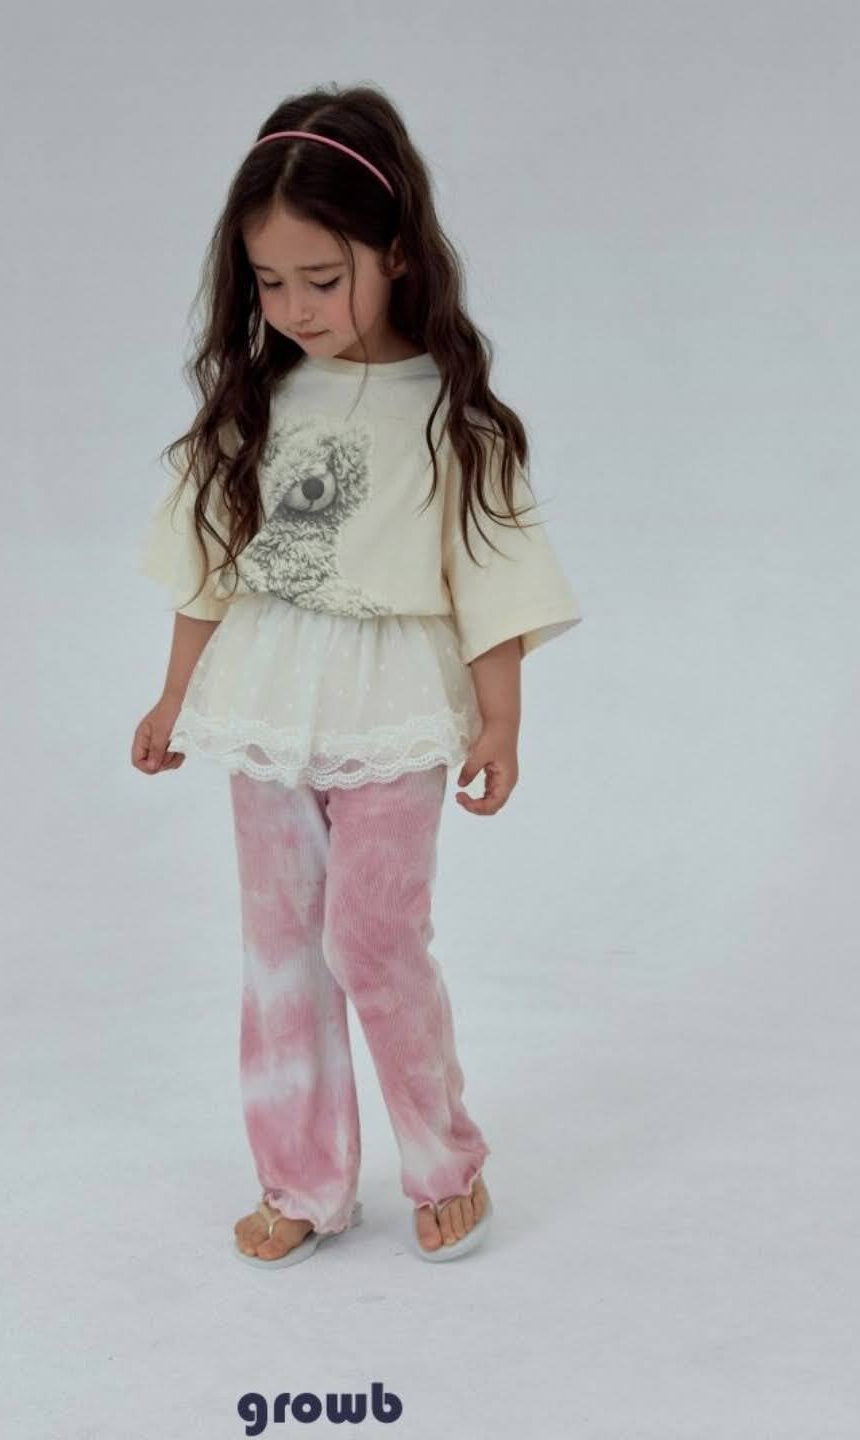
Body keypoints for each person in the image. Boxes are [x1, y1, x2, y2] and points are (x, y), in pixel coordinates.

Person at [131, 85, 583, 1267]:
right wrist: (176, 697)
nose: (294, 309)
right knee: (280, 946)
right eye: (269, 284)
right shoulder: (257, 404)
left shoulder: (454, 418)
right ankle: (303, 1180)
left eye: (322, 280)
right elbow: (208, 568)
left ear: (396, 253)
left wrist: (501, 718)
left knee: (374, 936)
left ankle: (444, 1159)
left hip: (394, 708)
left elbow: (492, 576)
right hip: (266, 695)